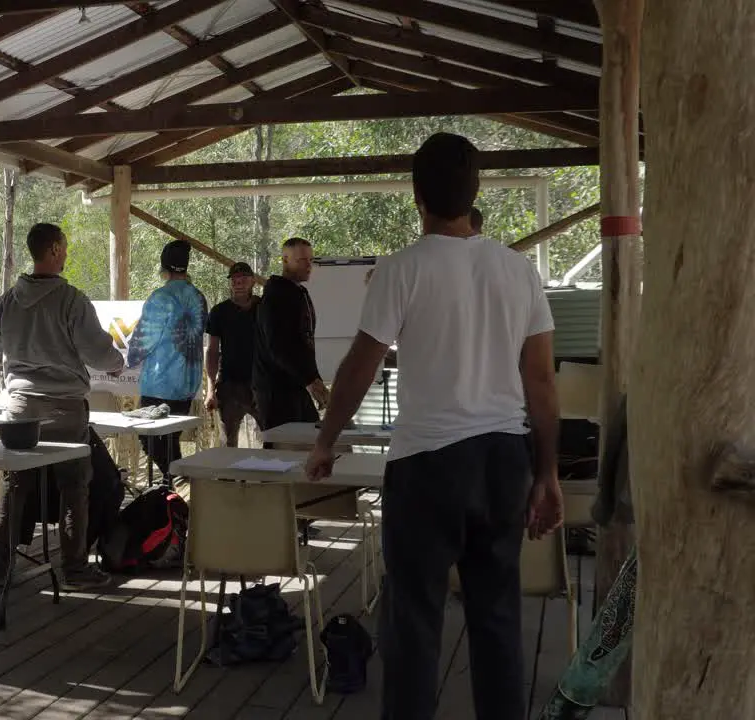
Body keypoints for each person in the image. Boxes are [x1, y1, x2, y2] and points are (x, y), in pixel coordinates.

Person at [304, 133, 564, 720]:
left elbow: (360, 368)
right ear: (475, 195)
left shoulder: (401, 269)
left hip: (426, 465)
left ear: (417, 197)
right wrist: (545, 473)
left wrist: (326, 442)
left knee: (414, 623)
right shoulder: (519, 271)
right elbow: (542, 382)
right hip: (503, 460)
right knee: (498, 619)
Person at [0, 223, 124, 591]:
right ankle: (74, 569)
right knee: (74, 486)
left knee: (16, 485)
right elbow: (98, 353)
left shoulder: (7, 301)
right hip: (64, 407)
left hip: (19, 409)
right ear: (56, 251)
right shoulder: (71, 300)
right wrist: (117, 362)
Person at [126, 240, 209, 479]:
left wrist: (127, 361)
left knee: (150, 439)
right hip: (187, 384)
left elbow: (144, 339)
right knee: (170, 441)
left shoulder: (160, 297)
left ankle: (180, 487)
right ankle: (175, 494)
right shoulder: (199, 297)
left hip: (160, 382)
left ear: (164, 268)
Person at [253, 237, 326, 437]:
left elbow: (304, 344)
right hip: (276, 389)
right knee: (282, 450)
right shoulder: (276, 296)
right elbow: (278, 346)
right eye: (302, 260)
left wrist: (314, 378)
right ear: (285, 260)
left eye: (311, 260)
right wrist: (310, 380)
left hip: (295, 384)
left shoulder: (297, 292)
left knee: (311, 439)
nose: (308, 265)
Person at [204, 261, 262, 447]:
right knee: (228, 444)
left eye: (244, 278)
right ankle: (228, 477)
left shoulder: (264, 308)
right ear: (230, 283)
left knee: (271, 439)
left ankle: (268, 476)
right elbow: (212, 351)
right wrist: (211, 389)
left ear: (253, 281)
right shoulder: (219, 312)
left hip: (261, 386)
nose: (239, 283)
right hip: (229, 387)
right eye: (235, 279)